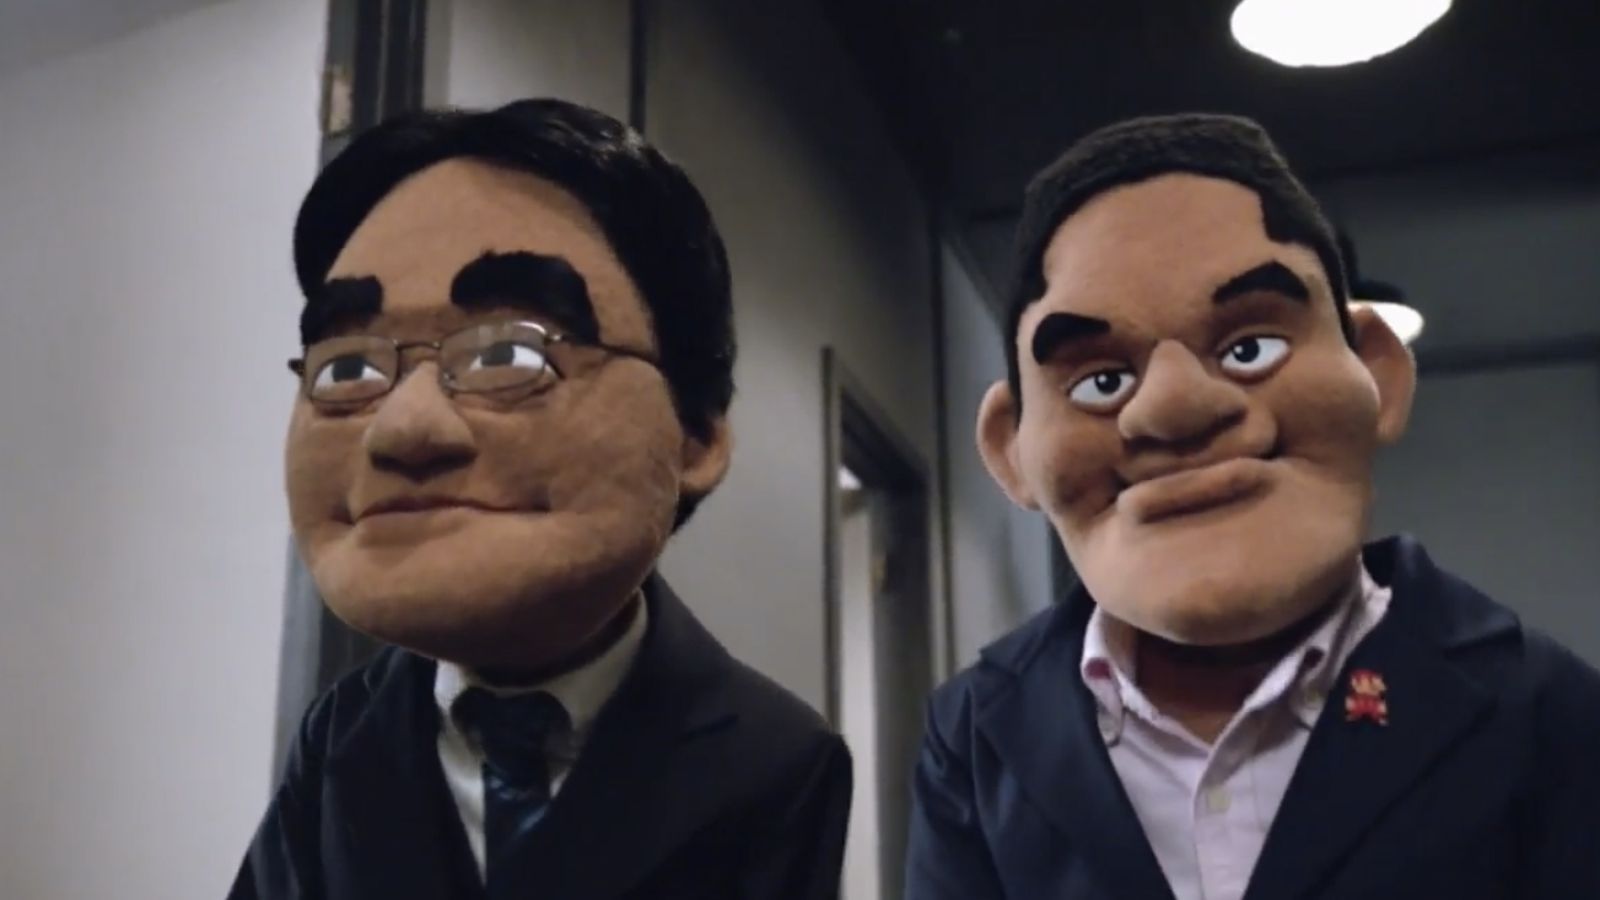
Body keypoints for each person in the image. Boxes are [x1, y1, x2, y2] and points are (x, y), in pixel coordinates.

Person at [904, 113, 1600, 900]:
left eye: (1249, 349)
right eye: (1102, 382)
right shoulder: (976, 734)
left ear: (1377, 374)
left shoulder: (1542, 706)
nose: (1175, 408)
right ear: (1012, 448)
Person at [230, 98, 851, 900]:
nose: (403, 427)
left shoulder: (780, 756)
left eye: (509, 355)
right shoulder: (339, 733)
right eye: (348, 369)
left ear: (693, 436)